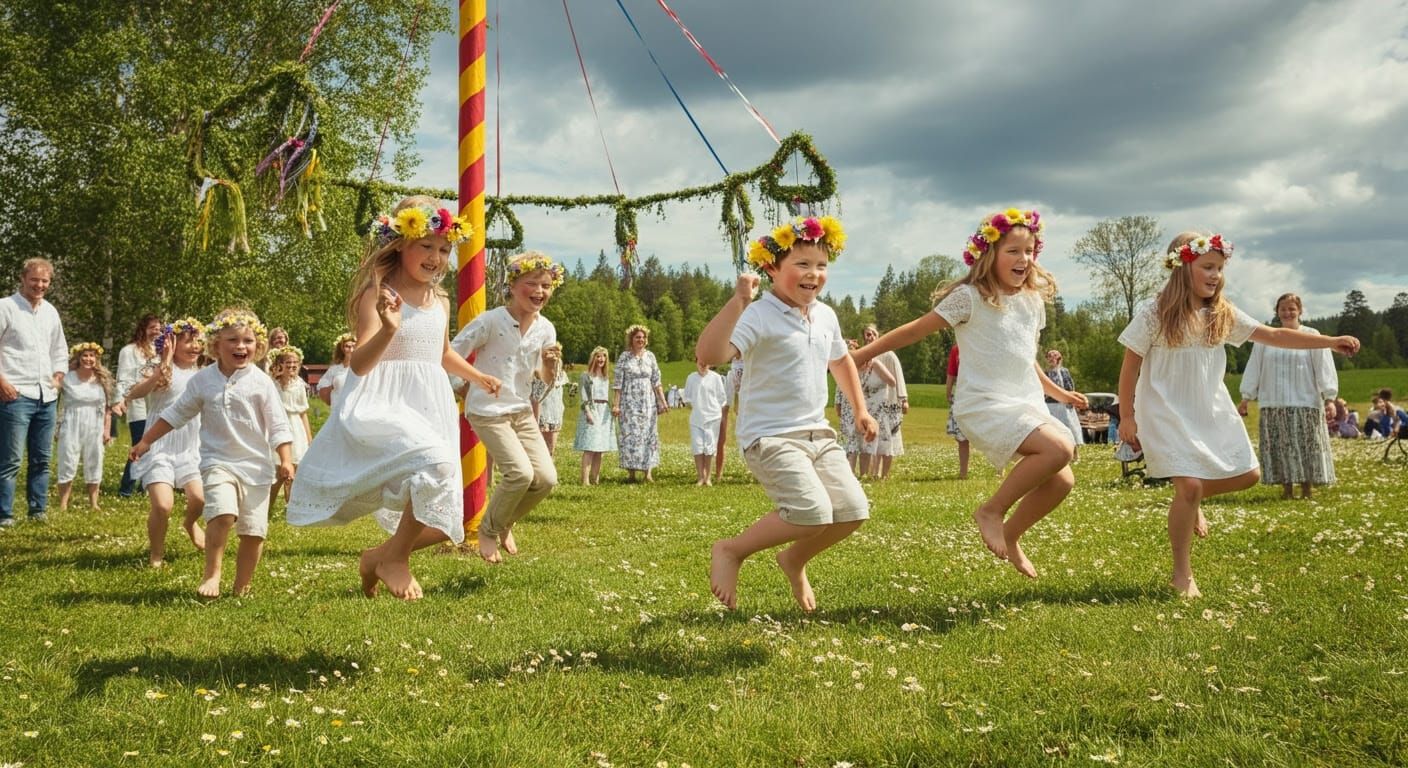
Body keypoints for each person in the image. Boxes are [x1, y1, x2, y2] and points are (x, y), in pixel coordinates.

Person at [1118, 232, 1359, 598]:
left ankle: (1191, 501)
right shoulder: (1156, 312)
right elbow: (1130, 366)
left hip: (1209, 407)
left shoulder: (1221, 313)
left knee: (1249, 475)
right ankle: (1182, 574)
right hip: (1164, 408)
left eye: (1219, 268)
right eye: (1208, 267)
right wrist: (1127, 416)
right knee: (1191, 484)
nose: (1215, 275)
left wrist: (1328, 341)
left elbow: (1275, 335)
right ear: (1182, 268)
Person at [855, 209, 1084, 578]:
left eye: (1029, 251)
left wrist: (1060, 392)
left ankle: (1011, 536)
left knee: (1063, 479)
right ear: (989, 254)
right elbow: (916, 330)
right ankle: (991, 510)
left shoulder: (1032, 302)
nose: (1023, 259)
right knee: (1059, 449)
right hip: (983, 403)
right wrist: (863, 354)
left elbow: (1026, 359)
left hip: (1023, 400)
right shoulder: (970, 298)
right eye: (1013, 251)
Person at [287, 198, 494, 600]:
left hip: (428, 402)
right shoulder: (378, 293)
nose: (436, 257)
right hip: (383, 401)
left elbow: (440, 351)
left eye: (444, 248)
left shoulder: (441, 301)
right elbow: (360, 364)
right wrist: (386, 329)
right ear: (400, 243)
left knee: (443, 512)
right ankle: (395, 559)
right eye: (426, 246)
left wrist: (477, 376)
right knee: (433, 464)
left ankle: (377, 558)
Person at [700, 215, 876, 612]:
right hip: (771, 436)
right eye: (802, 264)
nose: (813, 273)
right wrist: (738, 301)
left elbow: (842, 361)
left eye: (821, 265)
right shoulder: (757, 315)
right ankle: (731, 550)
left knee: (852, 511)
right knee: (811, 513)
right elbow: (709, 356)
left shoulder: (826, 314)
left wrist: (861, 410)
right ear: (772, 268)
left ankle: (794, 559)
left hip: (819, 435)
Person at [131, 310, 294, 598]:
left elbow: (278, 424)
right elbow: (176, 413)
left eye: (248, 341)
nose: (240, 347)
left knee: (254, 532)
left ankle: (242, 587)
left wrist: (284, 458)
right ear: (216, 345)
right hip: (217, 461)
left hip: (257, 467)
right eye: (232, 340)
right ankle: (212, 575)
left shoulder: (262, 382)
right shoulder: (203, 380)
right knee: (222, 514)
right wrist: (145, 442)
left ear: (257, 346)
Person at [451, 251, 561, 563]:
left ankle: (504, 521)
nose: (540, 291)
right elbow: (452, 352)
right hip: (487, 410)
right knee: (519, 474)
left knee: (546, 479)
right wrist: (460, 385)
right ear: (512, 285)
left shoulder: (546, 329)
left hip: (521, 410)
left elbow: (540, 387)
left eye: (546, 286)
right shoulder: (490, 321)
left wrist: (551, 368)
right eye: (532, 284)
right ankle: (487, 530)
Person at [1237, 293, 1338, 500]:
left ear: (1300, 311)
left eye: (1292, 308)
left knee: (1307, 446)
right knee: (1281, 447)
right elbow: (1254, 367)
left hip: (1305, 401)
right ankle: (1287, 489)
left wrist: (1329, 398)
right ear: (1277, 312)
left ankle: (1307, 488)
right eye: (1283, 309)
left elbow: (1324, 368)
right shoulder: (1266, 338)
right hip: (1274, 402)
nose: (1287, 312)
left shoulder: (1312, 335)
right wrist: (1246, 397)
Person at [127, 318, 207, 567]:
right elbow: (135, 393)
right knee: (163, 505)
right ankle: (156, 555)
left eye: (198, 341)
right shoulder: (160, 368)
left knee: (199, 500)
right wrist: (163, 363)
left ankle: (190, 523)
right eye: (188, 341)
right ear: (171, 342)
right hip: (158, 445)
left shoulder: (204, 374)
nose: (194, 346)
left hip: (189, 447)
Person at [0, 257, 69, 526]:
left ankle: (37, 510)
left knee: (42, 458)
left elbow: (59, 349)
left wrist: (59, 375)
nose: (39, 285)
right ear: (23, 278)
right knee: (10, 459)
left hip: (46, 396)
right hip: (15, 394)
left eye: (45, 281)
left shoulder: (51, 311)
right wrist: (2, 382)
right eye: (35, 280)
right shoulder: (5, 308)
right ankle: (5, 514)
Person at [56, 342, 113, 511]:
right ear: (78, 358)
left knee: (95, 460)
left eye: (92, 356)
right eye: (85, 356)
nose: (88, 359)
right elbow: (57, 403)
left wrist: (106, 429)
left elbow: (107, 407)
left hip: (95, 424)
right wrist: (56, 426)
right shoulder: (68, 378)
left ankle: (94, 503)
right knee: (67, 460)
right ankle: (63, 503)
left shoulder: (102, 379)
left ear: (97, 359)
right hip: (71, 422)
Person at [114, 314, 162, 497]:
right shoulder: (130, 351)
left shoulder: (162, 351)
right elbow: (123, 378)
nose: (156, 331)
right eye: (152, 327)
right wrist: (121, 399)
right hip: (139, 402)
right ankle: (126, 488)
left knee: (155, 445)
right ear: (143, 329)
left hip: (157, 402)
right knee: (140, 444)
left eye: (158, 327)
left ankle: (146, 486)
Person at [613, 324, 668, 482]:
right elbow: (618, 383)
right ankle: (631, 473)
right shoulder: (625, 357)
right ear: (631, 339)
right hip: (629, 403)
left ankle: (648, 472)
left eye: (643, 338)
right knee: (630, 436)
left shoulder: (650, 356)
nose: (641, 340)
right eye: (638, 337)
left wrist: (663, 402)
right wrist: (616, 404)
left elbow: (657, 381)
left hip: (647, 403)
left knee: (648, 435)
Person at [857, 324, 905, 479]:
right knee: (872, 438)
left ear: (878, 336)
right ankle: (873, 472)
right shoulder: (864, 355)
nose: (869, 337)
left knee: (887, 438)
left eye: (872, 334)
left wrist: (903, 399)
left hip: (889, 403)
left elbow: (897, 377)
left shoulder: (888, 355)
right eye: (866, 334)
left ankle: (884, 475)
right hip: (871, 402)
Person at [268, 345, 312, 504]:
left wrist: (309, 438)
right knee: (278, 470)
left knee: (295, 468)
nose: (292, 366)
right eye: (288, 362)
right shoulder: (272, 383)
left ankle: (290, 507)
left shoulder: (299, 384)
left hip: (296, 427)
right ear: (280, 364)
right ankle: (267, 507)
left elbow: (303, 413)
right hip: (279, 425)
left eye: (295, 363)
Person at [573, 346, 616, 485]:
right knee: (590, 447)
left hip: (604, 411)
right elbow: (584, 396)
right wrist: (588, 412)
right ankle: (585, 480)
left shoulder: (606, 377)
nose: (601, 359)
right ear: (593, 358)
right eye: (598, 356)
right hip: (592, 409)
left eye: (603, 356)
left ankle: (595, 478)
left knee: (599, 449)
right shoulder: (586, 376)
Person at [683, 356, 727, 486]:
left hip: (713, 417)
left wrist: (716, 409)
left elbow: (722, 397)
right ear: (696, 361)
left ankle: (708, 477)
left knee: (710, 447)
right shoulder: (691, 378)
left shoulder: (716, 378)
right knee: (698, 446)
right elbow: (687, 396)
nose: (703, 364)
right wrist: (693, 405)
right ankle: (700, 477)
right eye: (700, 361)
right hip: (696, 417)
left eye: (706, 362)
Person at [1043, 349, 1085, 462]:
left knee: (1069, 429)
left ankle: (1075, 455)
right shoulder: (1045, 373)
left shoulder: (1064, 371)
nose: (1051, 359)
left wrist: (1071, 399)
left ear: (1059, 359)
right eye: (1049, 357)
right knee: (1052, 430)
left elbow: (1070, 387)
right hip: (1050, 406)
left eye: (1054, 356)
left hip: (1064, 406)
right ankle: (1055, 454)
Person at [530, 342, 569, 455]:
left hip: (555, 414)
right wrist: (536, 421)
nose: (556, 360)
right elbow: (536, 399)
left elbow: (559, 396)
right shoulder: (537, 375)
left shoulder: (561, 375)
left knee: (550, 450)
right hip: (541, 416)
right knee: (537, 450)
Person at [944, 344, 971, 480]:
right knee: (961, 437)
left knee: (992, 434)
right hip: (962, 395)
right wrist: (948, 391)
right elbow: (951, 372)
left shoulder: (982, 342)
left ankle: (999, 470)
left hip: (980, 394)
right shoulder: (956, 349)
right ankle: (963, 473)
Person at [835, 339, 861, 473]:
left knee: (853, 440)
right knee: (845, 439)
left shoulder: (859, 371)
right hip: (845, 409)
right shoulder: (841, 369)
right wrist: (837, 404)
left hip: (855, 408)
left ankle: (850, 469)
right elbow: (839, 389)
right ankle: (843, 468)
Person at [317, 332, 356, 408]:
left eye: (353, 346)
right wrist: (332, 388)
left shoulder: (361, 366)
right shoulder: (334, 369)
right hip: (338, 407)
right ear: (342, 348)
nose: (351, 349)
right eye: (347, 346)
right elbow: (322, 387)